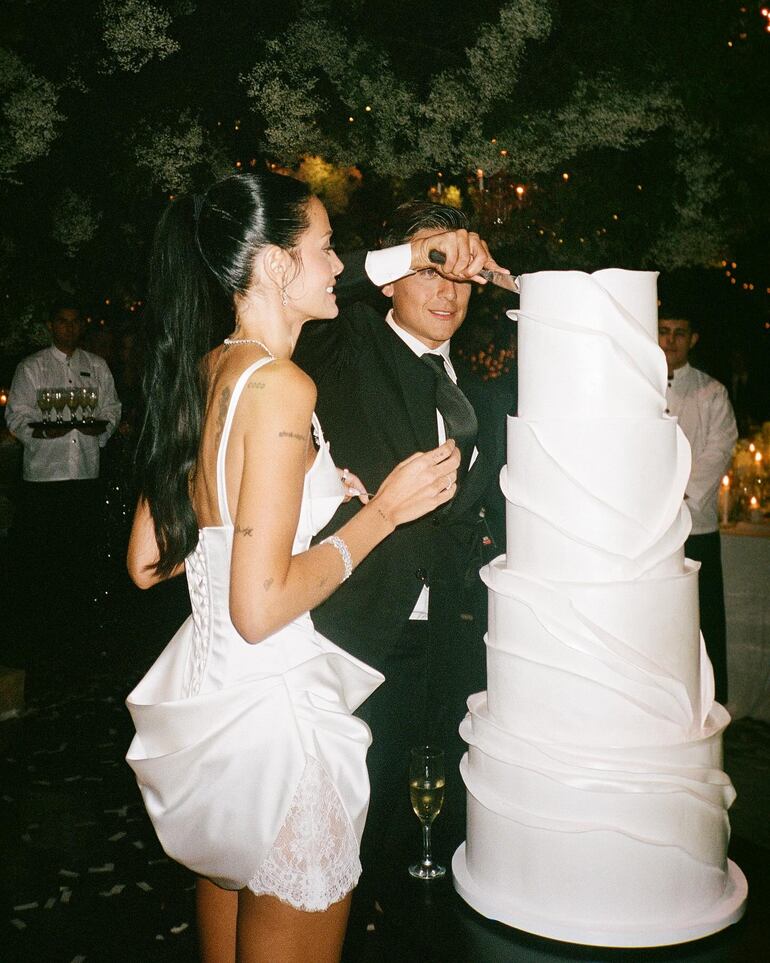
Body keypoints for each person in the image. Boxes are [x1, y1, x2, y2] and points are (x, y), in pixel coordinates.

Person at [124, 172, 465, 963]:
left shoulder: (209, 371)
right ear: (277, 264)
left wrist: (306, 505)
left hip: (213, 723)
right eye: (322, 248)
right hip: (277, 727)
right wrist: (383, 511)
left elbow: (150, 558)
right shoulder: (281, 385)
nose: (338, 266)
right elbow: (259, 604)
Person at [294, 201, 514, 949]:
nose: (448, 289)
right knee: (351, 834)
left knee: (440, 830)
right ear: (391, 281)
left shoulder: (476, 393)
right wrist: (408, 251)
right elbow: (317, 283)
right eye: (429, 271)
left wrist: (512, 283)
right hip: (361, 639)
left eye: (461, 277)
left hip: (451, 645)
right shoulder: (344, 343)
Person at [5, 299, 121, 682]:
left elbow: (112, 408)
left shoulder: (96, 365)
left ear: (81, 326)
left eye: (75, 322)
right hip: (45, 479)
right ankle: (46, 647)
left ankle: (80, 644)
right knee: (46, 565)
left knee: (82, 562)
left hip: (85, 475)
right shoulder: (32, 367)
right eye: (62, 321)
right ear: (50, 325)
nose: (68, 329)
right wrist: (40, 431)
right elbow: (17, 415)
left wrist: (100, 431)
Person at [659, 315, 738, 704]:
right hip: (650, 526)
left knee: (702, 622)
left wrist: (681, 498)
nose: (670, 340)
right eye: (663, 331)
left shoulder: (712, 392)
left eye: (679, 333)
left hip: (695, 524)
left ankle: (710, 705)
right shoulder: (638, 385)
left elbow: (719, 450)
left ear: (693, 338)